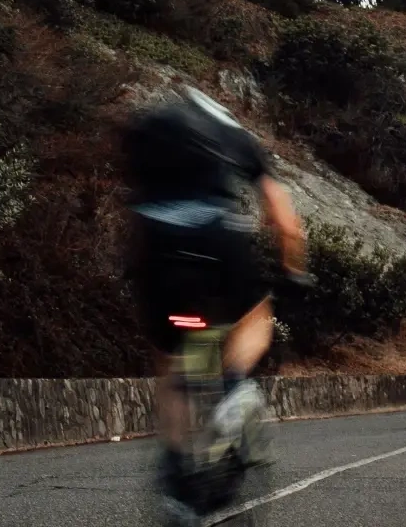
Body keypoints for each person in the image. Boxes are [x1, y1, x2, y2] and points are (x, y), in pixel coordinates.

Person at [122, 86, 307, 514]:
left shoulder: (154, 130)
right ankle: (235, 387)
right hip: (217, 233)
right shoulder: (233, 134)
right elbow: (281, 213)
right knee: (255, 317)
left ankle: (175, 469)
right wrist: (294, 269)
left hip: (156, 240)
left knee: (169, 360)